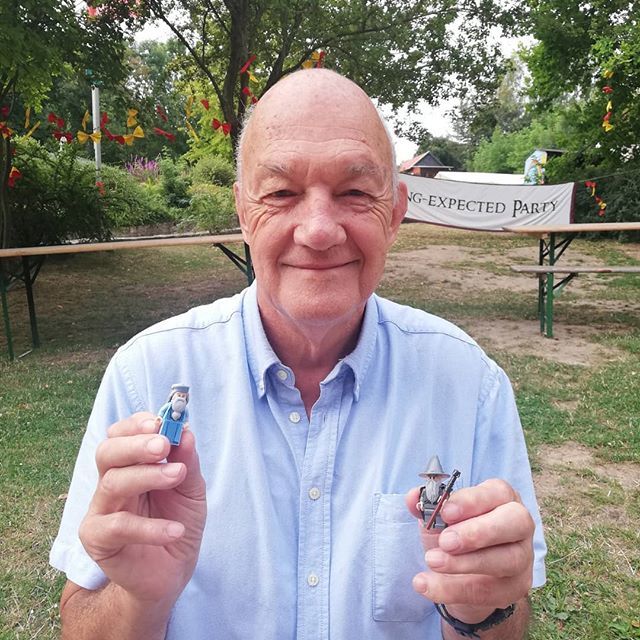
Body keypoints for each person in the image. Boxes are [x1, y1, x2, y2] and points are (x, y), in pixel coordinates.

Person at [50, 69, 546, 640]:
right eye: (281, 193)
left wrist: (481, 609)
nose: (318, 230)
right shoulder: (146, 376)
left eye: (355, 192)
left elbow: (506, 621)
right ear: (243, 212)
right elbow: (79, 618)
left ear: (394, 212)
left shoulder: (468, 383)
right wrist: (141, 599)